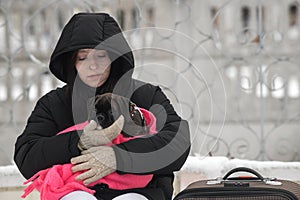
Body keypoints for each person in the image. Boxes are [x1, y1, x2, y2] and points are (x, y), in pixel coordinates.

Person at [14, 12, 190, 200]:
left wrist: (118, 158)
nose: (93, 65)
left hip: (139, 192)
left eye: (101, 56)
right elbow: (27, 154)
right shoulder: (54, 104)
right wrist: (78, 142)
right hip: (75, 192)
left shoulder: (144, 94)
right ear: (72, 62)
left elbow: (177, 142)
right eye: (83, 57)